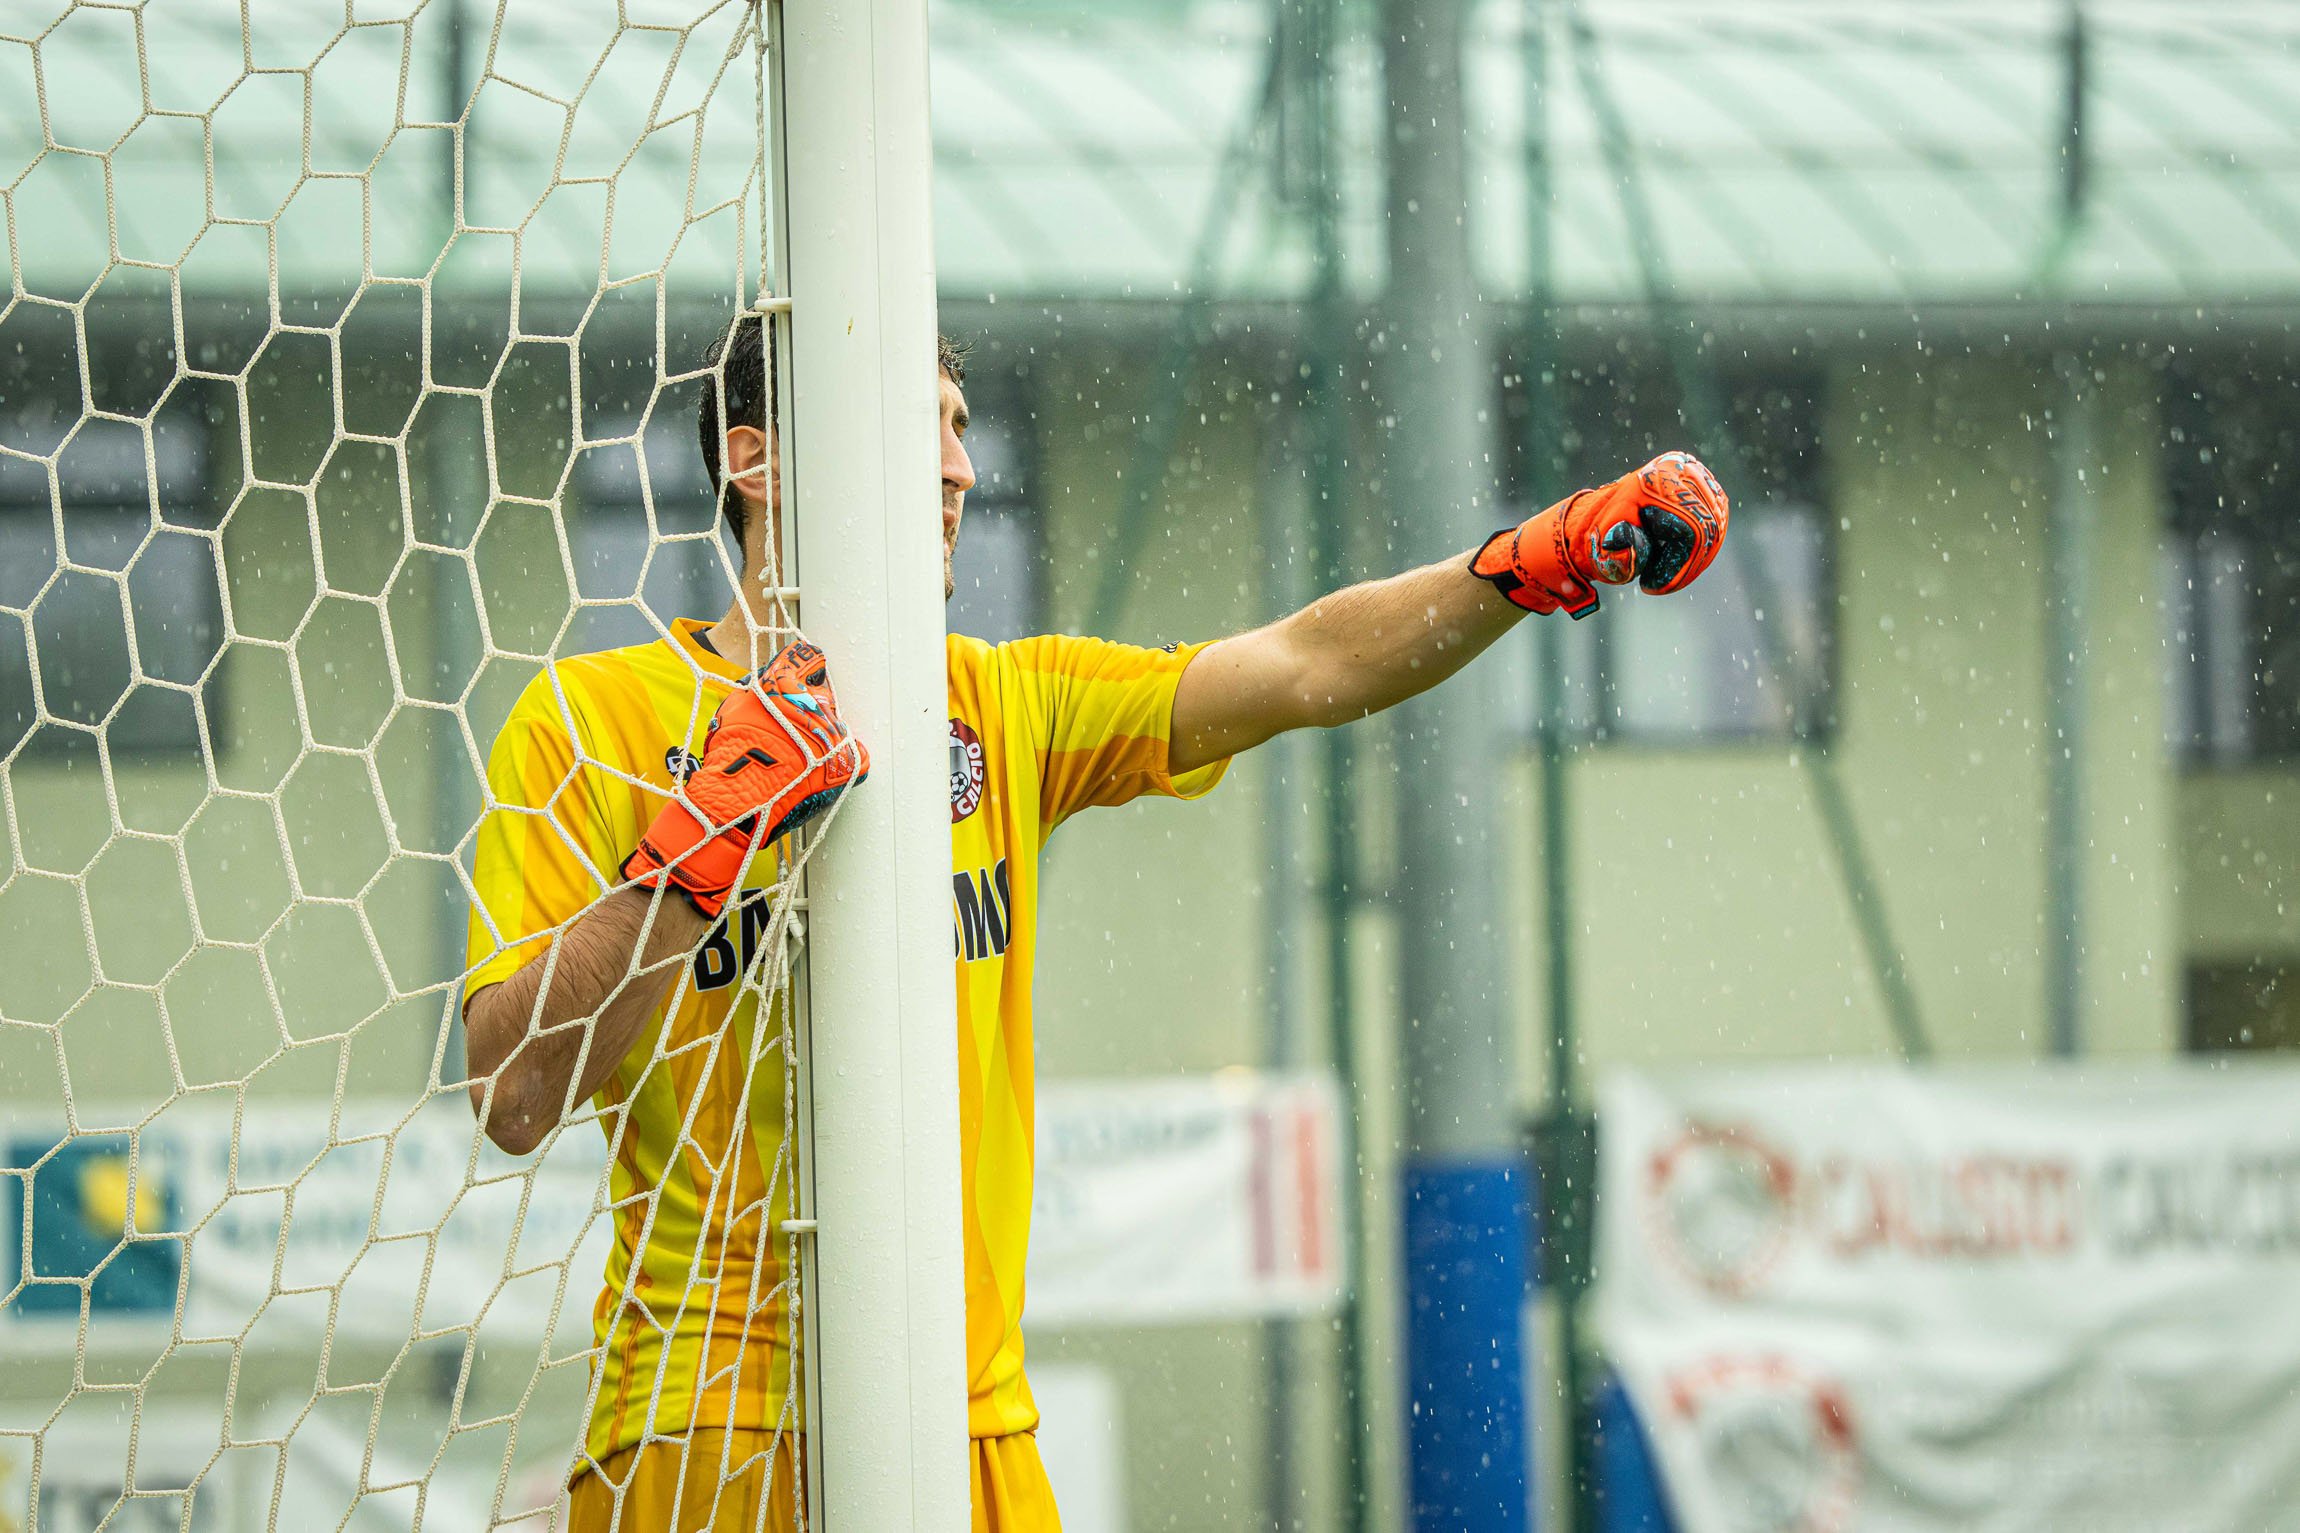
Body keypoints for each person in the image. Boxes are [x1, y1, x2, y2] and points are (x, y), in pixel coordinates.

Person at [460, 314, 1728, 1532]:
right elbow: (516, 1093)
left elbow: (1305, 667)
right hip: (705, 1419)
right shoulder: (593, 718)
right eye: (919, 430)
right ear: (754, 459)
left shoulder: (1003, 704)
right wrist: (698, 844)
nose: (960, 468)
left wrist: (1527, 563)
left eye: (961, 430)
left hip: (967, 1425)